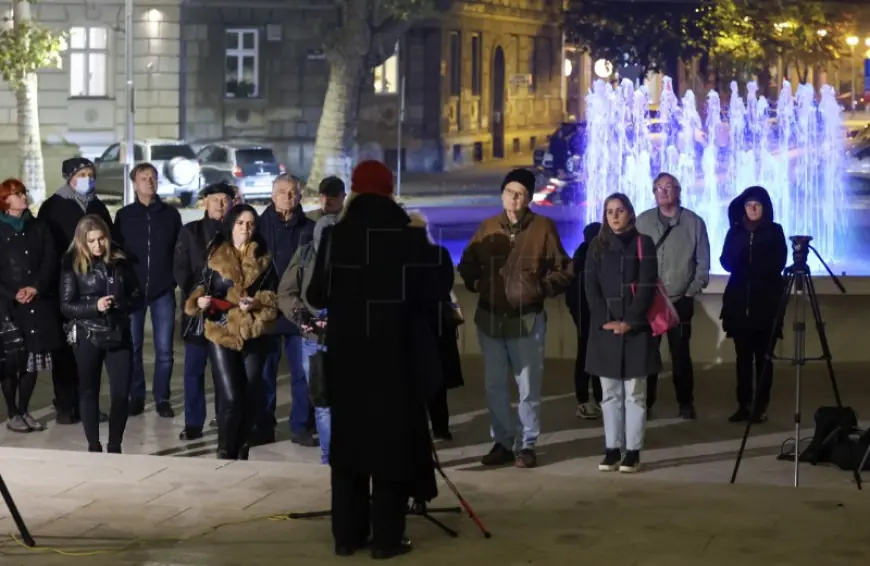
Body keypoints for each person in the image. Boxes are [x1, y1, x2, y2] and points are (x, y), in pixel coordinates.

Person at [305, 160, 441, 559]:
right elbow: (433, 289)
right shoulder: (407, 234)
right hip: (394, 361)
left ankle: (346, 536)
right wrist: (425, 239)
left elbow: (316, 296)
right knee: (391, 452)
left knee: (348, 453)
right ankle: (386, 539)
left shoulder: (336, 236)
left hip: (347, 360)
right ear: (389, 189)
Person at [458, 168, 573, 469]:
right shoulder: (487, 227)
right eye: (510, 191)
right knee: (494, 384)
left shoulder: (543, 228)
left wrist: (541, 288)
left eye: (520, 193)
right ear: (502, 194)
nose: (514, 197)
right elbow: (467, 263)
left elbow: (565, 269)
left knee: (528, 386)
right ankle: (502, 442)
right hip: (490, 318)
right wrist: (477, 285)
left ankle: (528, 443)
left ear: (530, 197)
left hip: (527, 320)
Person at [184, 204, 279, 460]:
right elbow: (201, 285)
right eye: (240, 223)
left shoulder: (264, 258)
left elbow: (274, 295)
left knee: (249, 395)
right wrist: (199, 301)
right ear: (231, 225)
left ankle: (242, 447)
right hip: (221, 330)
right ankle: (225, 448)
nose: (246, 229)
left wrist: (257, 302)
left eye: (250, 224)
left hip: (252, 330)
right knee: (231, 395)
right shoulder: (216, 253)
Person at [585, 193, 660, 473]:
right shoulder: (597, 246)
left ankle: (633, 451)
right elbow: (590, 285)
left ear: (630, 212)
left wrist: (630, 320)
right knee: (609, 394)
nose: (614, 216)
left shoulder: (644, 243)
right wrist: (606, 319)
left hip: (636, 330)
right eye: (609, 212)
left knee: (635, 394)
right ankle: (612, 448)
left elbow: (647, 285)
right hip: (605, 331)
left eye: (619, 210)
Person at [38, 157, 113, 425]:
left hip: (94, 287)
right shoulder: (53, 206)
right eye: (82, 174)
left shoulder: (97, 206)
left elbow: (109, 241)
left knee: (90, 349)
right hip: (66, 285)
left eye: (91, 174)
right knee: (66, 349)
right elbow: (46, 247)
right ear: (70, 177)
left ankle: (87, 403)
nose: (88, 178)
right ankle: (65, 404)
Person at [60, 215, 138, 453]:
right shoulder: (71, 263)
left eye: (101, 239)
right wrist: (94, 306)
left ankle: (115, 444)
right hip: (87, 333)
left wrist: (120, 302)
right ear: (82, 241)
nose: (97, 245)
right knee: (89, 390)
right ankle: (93, 445)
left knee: (121, 393)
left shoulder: (121, 260)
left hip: (117, 332)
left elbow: (137, 295)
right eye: (91, 241)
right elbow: (66, 305)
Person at [636, 172, 710, 420]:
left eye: (669, 187)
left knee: (680, 355)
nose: (663, 191)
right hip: (650, 302)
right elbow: (633, 258)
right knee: (649, 355)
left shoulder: (694, 223)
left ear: (679, 191)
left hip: (680, 300)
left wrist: (691, 291)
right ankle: (646, 403)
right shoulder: (642, 221)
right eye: (658, 187)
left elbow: (703, 262)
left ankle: (686, 403)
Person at [114, 162, 182, 418]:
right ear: (134, 183)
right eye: (144, 178)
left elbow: (178, 250)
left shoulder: (170, 215)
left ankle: (162, 398)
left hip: (163, 290)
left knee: (164, 350)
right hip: (133, 291)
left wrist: (174, 279)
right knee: (133, 348)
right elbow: (116, 252)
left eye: (153, 178)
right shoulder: (124, 215)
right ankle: (137, 396)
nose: (149, 182)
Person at [174, 182, 236, 440]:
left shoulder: (237, 231)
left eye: (225, 200)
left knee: (225, 371)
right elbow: (180, 269)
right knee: (193, 370)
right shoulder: (191, 232)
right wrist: (196, 296)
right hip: (198, 311)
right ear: (205, 202)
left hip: (227, 312)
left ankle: (225, 417)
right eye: (215, 199)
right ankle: (193, 422)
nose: (220, 205)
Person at [720, 186, 787, 424]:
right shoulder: (735, 231)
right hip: (739, 303)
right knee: (743, 359)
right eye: (749, 205)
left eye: (758, 204)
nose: (753, 209)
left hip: (765, 304)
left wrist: (756, 261)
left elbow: (780, 262)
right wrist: (738, 257)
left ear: (765, 207)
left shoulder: (774, 231)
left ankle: (760, 406)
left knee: (764, 359)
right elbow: (725, 261)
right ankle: (743, 404)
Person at [0, 178, 63, 432]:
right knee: (10, 361)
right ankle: (12, 412)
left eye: (24, 193)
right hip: (7, 306)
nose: (23, 197)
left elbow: (50, 260)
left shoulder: (39, 226)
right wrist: (12, 293)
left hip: (36, 304)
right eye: (17, 194)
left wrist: (36, 287)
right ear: (5, 200)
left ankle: (24, 409)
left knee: (33, 359)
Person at [277, 213, 339, 464]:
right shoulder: (305, 255)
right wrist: (304, 318)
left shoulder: (357, 257)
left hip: (348, 339)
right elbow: (286, 293)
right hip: (314, 338)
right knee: (323, 402)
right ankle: (329, 458)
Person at [259, 174, 315, 446]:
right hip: (268, 310)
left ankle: (301, 426)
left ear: (300, 196)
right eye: (282, 192)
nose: (287, 197)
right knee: (264, 373)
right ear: (272, 195)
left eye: (292, 192)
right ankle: (264, 425)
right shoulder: (257, 227)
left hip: (298, 311)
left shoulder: (311, 230)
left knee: (302, 373)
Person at [408, 210, 464, 441]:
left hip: (413, 327)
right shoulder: (439, 254)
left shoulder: (400, 258)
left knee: (412, 383)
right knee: (436, 381)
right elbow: (443, 287)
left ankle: (419, 431)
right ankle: (441, 428)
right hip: (438, 327)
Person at [566, 221, 603, 419]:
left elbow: (570, 295)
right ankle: (595, 398)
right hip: (589, 317)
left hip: (584, 318)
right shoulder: (591, 257)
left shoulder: (578, 257)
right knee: (593, 357)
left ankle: (587, 399)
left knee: (585, 357)